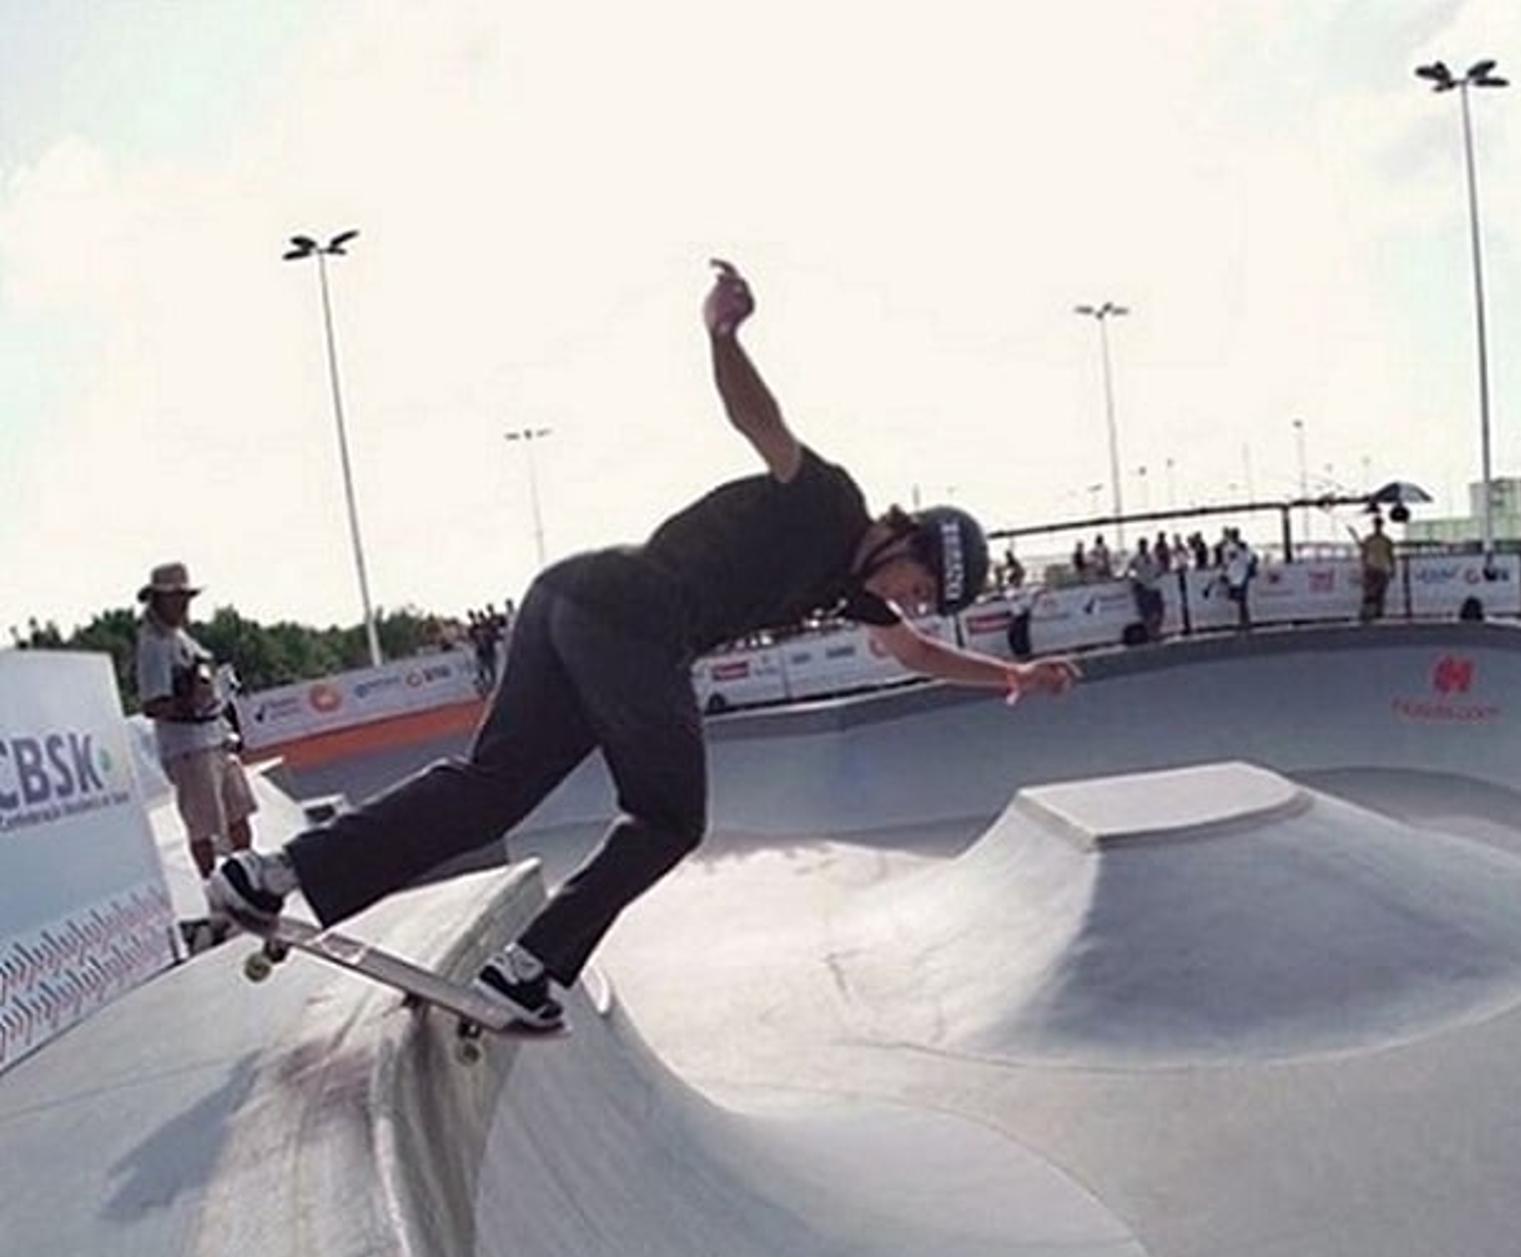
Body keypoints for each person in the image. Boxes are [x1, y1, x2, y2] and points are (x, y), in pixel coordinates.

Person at [209, 259, 1081, 1032]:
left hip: (569, 597)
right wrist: (722, 335)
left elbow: (918, 656)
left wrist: (1011, 674)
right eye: (918, 587)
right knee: (668, 819)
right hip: (632, 619)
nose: (909, 603)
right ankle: (530, 966)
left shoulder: (853, 592)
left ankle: (273, 875)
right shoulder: (831, 500)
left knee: (491, 791)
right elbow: (760, 420)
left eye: (921, 600)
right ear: (906, 542)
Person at [135, 563, 258, 880]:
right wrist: (190, 706)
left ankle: (245, 877)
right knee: (203, 825)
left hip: (213, 735)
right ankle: (212, 887)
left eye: (185, 597)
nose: (183, 603)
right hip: (188, 747)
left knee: (238, 811)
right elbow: (153, 704)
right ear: (158, 600)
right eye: (177, 598)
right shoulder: (154, 643)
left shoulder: (179, 637)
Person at [1358, 514, 1395, 623]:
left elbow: (1390, 555)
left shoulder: (1385, 540)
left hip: (1381, 568)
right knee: (1370, 592)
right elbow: (1364, 554)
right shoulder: (1370, 540)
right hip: (1372, 568)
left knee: (1379, 592)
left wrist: (1392, 567)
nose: (1377, 527)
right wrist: (1364, 567)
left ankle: (1377, 613)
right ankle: (1367, 613)